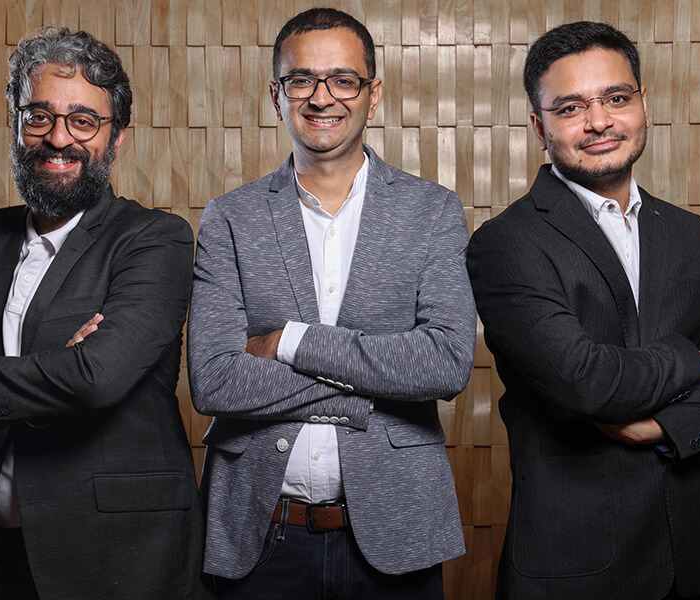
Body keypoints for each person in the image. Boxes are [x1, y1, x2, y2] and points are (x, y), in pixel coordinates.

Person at [0, 26, 211, 600]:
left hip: (122, 553)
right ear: (15, 124)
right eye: (39, 116)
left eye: (83, 121)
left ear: (116, 139)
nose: (58, 138)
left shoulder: (154, 239)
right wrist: (47, 385)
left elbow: (96, 377)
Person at [467, 20, 700, 600]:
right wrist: (698, 359)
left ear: (642, 105)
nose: (600, 122)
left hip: (694, 555)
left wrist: (666, 425)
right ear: (539, 127)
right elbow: (589, 384)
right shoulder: (506, 243)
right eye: (571, 107)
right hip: (576, 565)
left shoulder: (687, 232)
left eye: (617, 98)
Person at [186, 8, 477, 599]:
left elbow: (446, 364)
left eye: (344, 80)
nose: (322, 98)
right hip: (259, 535)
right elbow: (213, 381)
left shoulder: (432, 212)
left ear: (373, 95)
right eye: (302, 81)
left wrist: (287, 343)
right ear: (277, 95)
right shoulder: (230, 218)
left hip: (399, 533)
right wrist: (377, 381)